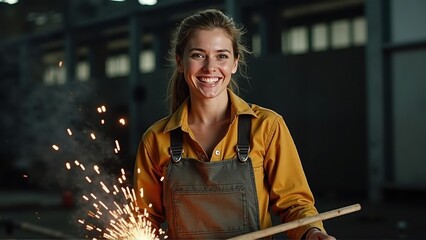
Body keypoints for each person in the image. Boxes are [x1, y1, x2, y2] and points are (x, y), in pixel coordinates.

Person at [134, 8, 335, 240]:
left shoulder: (267, 127)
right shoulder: (156, 139)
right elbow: (144, 219)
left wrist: (312, 232)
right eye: (198, 55)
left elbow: (295, 205)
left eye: (221, 56)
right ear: (180, 62)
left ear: (235, 63)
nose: (210, 67)